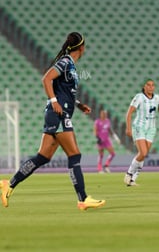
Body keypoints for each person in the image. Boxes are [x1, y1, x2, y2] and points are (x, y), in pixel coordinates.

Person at [0, 32, 105, 210]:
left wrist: (78, 104)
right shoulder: (65, 63)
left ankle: (8, 184)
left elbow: (63, 90)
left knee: (42, 157)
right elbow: (47, 79)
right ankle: (83, 198)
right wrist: (54, 102)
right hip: (59, 114)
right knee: (74, 155)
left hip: (58, 112)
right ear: (82, 47)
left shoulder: (70, 65)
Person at [123, 79, 159, 186]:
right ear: (144, 86)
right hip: (139, 127)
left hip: (151, 129)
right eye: (148, 85)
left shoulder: (157, 98)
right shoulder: (139, 97)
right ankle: (128, 174)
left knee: (144, 154)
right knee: (143, 152)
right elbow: (129, 113)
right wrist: (128, 128)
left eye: (153, 85)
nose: (151, 87)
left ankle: (133, 179)